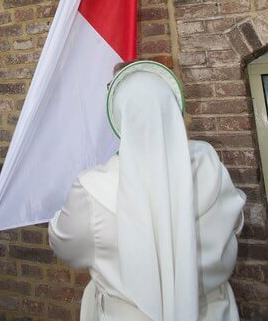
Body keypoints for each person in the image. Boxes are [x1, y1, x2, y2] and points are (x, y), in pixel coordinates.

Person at [48, 60, 246, 321]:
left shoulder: (93, 188)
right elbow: (235, 222)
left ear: (119, 115)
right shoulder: (209, 163)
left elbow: (67, 247)